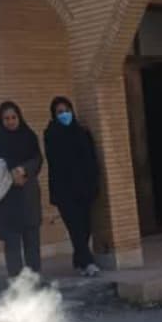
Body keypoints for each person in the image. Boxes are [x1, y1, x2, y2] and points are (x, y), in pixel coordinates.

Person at [0, 101, 44, 279]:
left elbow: (37, 159)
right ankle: (16, 281)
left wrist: (23, 170)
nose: (10, 121)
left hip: (28, 195)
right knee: (12, 242)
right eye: (6, 118)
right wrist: (11, 172)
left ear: (19, 117)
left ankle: (34, 279)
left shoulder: (29, 135)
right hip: (7, 197)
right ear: (0, 120)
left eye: (13, 117)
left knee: (32, 241)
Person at [43, 96, 101, 277]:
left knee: (85, 227)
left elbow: (91, 158)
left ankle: (79, 260)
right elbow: (56, 161)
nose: (64, 115)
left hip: (84, 188)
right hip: (65, 191)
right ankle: (88, 262)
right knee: (75, 228)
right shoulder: (51, 134)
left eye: (67, 111)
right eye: (60, 112)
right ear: (54, 115)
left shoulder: (82, 132)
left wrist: (93, 181)